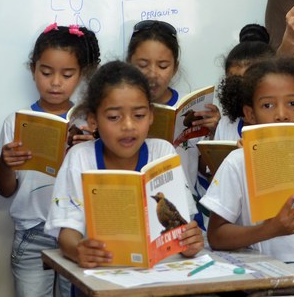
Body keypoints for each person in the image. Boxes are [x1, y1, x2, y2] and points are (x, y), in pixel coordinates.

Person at [201, 57, 294, 296]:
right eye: (268, 106)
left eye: (293, 103)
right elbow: (216, 237)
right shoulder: (237, 162)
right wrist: (270, 229)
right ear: (249, 114)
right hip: (261, 288)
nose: (282, 114)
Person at [44, 60, 204, 267]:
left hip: (160, 279)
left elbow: (185, 226)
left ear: (151, 115)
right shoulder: (80, 158)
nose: (128, 126)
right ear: (93, 121)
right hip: (100, 280)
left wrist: (190, 241)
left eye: (139, 115)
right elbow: (67, 234)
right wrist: (78, 251)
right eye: (114, 117)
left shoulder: (163, 153)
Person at [0, 23, 100, 297]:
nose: (55, 82)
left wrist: (94, 150)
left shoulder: (91, 122)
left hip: (78, 230)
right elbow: (6, 190)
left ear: (82, 75)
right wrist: (6, 163)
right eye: (46, 72)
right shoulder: (16, 122)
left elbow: (103, 185)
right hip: (31, 232)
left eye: (67, 74)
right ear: (33, 70)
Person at [127, 19, 219, 225]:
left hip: (183, 209)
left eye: (163, 66)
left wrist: (213, 135)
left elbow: (206, 170)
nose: (152, 74)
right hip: (131, 208)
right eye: (142, 65)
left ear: (175, 68)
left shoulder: (191, 106)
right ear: (129, 63)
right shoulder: (119, 109)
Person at [214, 23, 275, 142]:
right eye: (235, 82)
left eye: (250, 81)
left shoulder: (283, 120)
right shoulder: (225, 125)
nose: (242, 88)